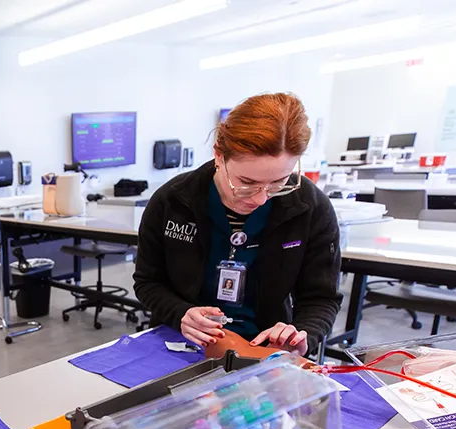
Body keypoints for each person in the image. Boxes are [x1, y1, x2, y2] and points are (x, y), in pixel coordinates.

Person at [134, 93, 341, 356]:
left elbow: (321, 297)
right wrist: (181, 313)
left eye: (278, 183)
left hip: (266, 350)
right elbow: (148, 282)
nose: (261, 199)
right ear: (219, 155)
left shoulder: (311, 208)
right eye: (246, 183)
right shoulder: (172, 201)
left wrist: (302, 334)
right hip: (182, 342)